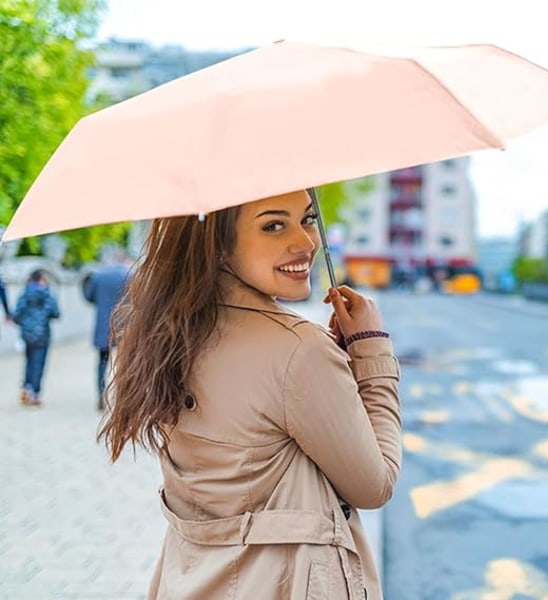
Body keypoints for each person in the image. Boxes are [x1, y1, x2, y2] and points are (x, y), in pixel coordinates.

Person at [98, 189, 402, 600]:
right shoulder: (298, 352)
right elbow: (375, 486)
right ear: (219, 243)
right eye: (273, 225)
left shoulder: (165, 336)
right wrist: (370, 349)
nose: (306, 242)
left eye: (308, 219)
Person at [83, 253, 131, 411]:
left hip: (103, 325)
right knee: (125, 364)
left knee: (102, 362)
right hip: (125, 325)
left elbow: (89, 297)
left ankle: (100, 394)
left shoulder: (99, 275)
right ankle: (122, 398)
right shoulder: (130, 275)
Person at [13, 269, 60, 406]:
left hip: (27, 335)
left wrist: (26, 324)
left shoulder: (24, 294)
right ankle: (35, 392)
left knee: (28, 362)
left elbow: (16, 315)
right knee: (39, 363)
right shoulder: (47, 295)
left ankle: (26, 388)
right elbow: (56, 313)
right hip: (42, 335)